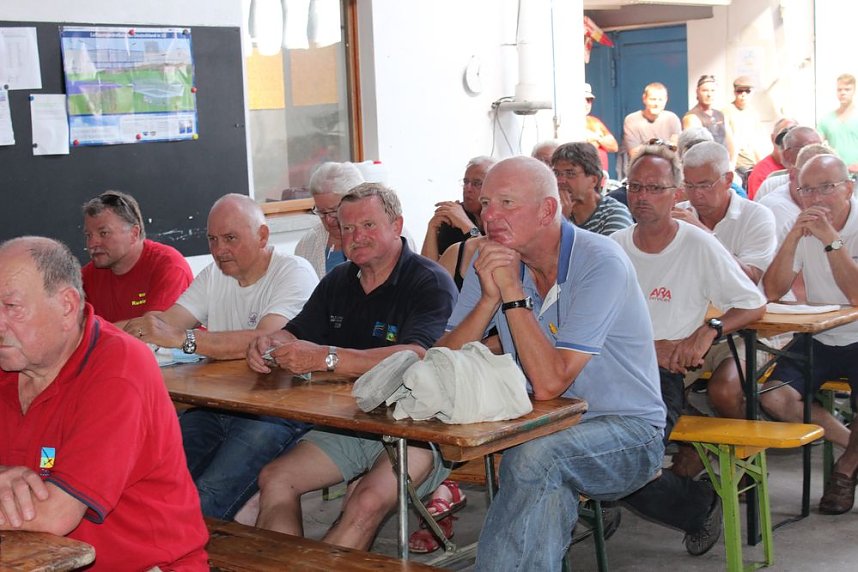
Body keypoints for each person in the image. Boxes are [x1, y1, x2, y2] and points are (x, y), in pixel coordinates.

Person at [437, 156, 665, 571]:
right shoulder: (490, 259)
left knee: (535, 459)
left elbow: (549, 384)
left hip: (628, 431)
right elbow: (443, 360)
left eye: (507, 203)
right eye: (486, 203)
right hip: (540, 425)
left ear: (546, 210)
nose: (489, 215)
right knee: (542, 480)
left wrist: (512, 296)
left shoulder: (600, 262)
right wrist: (489, 298)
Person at [247, 183, 458, 550]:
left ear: (397, 225)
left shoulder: (429, 281)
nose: (356, 237)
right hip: (351, 422)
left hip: (420, 427)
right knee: (276, 478)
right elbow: (295, 331)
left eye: (368, 225)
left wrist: (327, 357)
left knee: (365, 501)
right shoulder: (338, 280)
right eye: (347, 229)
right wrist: (269, 342)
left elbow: (416, 356)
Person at [0, 237, 208, 570]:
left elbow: (55, 515)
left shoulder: (119, 369)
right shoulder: (11, 362)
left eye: (11, 307)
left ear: (67, 305)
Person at [125, 193, 319, 520]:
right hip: (216, 404)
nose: (218, 250)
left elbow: (266, 340)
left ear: (262, 237)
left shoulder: (294, 271)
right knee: (158, 477)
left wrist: (184, 339)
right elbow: (164, 323)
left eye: (230, 238)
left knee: (208, 496)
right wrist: (91, 332)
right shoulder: (215, 274)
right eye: (212, 239)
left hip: (276, 409)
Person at [613, 143, 766, 556]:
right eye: (635, 187)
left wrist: (710, 329)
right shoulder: (612, 246)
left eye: (655, 188)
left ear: (677, 192)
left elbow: (753, 302)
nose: (642, 197)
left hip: (660, 378)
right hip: (610, 367)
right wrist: (648, 346)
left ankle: (698, 504)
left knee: (628, 461)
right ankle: (598, 500)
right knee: (568, 444)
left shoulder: (698, 245)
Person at [761, 154, 858, 515]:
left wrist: (832, 241)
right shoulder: (804, 226)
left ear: (848, 188)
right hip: (819, 334)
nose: (816, 198)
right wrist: (791, 238)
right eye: (806, 190)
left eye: (826, 188)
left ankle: (845, 471)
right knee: (771, 395)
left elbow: (856, 295)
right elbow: (770, 290)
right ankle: (852, 447)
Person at [81, 190, 192, 327]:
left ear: (134, 233)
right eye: (88, 235)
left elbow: (155, 330)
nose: (92, 244)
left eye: (104, 233)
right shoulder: (86, 277)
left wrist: (95, 332)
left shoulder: (169, 265)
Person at [295, 162, 365, 278]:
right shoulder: (307, 244)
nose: (328, 220)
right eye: (321, 212)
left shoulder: (385, 236)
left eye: (334, 211)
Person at [422, 156, 497, 261]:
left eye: (477, 183)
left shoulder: (501, 219)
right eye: (466, 182)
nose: (468, 188)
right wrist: (432, 228)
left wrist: (464, 223)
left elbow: (486, 259)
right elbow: (428, 271)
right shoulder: (453, 216)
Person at [552, 141, 632, 235]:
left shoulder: (614, 214)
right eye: (556, 173)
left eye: (570, 173)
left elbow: (604, 249)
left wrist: (563, 222)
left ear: (594, 180)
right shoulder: (551, 211)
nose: (560, 180)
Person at [622, 82, 682, 162]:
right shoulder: (632, 120)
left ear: (666, 100)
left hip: (668, 168)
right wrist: (664, 145)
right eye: (653, 99)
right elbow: (634, 153)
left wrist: (648, 146)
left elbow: (675, 149)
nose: (656, 104)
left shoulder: (672, 119)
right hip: (642, 167)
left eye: (660, 100)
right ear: (644, 99)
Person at [683, 75, 736, 164]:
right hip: (705, 166)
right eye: (705, 90)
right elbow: (698, 150)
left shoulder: (720, 115)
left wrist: (731, 165)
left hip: (724, 164)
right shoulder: (691, 117)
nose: (709, 94)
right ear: (697, 92)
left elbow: (731, 144)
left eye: (712, 90)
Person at [724, 76, 767, 174]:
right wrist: (731, 168)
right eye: (739, 91)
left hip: (752, 164)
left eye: (747, 91)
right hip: (736, 166)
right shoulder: (726, 112)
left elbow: (757, 142)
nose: (743, 95)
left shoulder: (753, 113)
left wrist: (760, 165)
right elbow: (730, 143)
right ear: (734, 92)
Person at [747, 118, 798, 199]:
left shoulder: (810, 170)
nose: (786, 144)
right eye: (783, 138)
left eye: (794, 139)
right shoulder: (761, 172)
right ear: (772, 138)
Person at [818, 74, 858, 174]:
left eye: (847, 89)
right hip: (836, 176)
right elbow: (815, 147)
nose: (843, 93)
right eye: (839, 90)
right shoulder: (826, 119)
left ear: (854, 91)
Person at [584, 83, 619, 172]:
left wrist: (596, 138)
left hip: (601, 178)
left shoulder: (594, 121)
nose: (586, 104)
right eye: (582, 100)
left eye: (589, 100)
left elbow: (613, 146)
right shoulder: (568, 123)